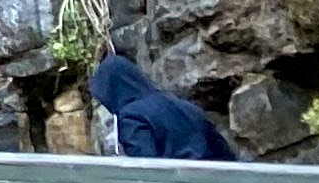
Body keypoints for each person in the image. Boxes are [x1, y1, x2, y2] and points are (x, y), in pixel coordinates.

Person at [89, 55, 242, 161]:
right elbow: (227, 158)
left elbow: (147, 169)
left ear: (111, 91)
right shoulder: (187, 108)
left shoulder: (131, 117)